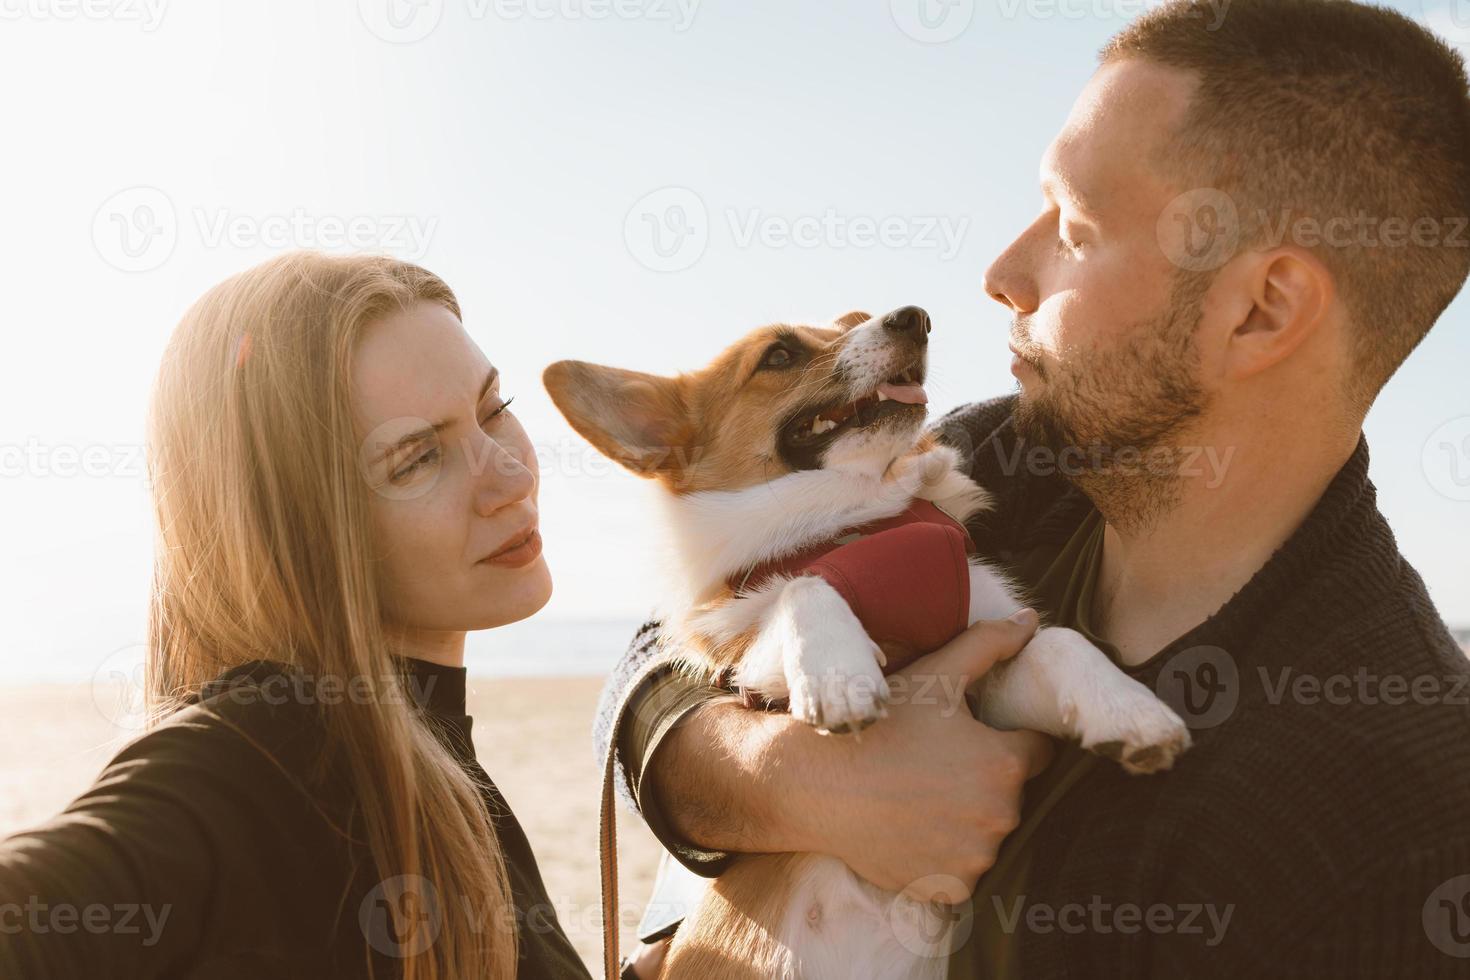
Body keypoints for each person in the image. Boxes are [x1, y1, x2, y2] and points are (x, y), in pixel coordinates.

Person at [594, 0, 1470, 975]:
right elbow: (659, 648)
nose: (1004, 271)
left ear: (1261, 309)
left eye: (1076, 228)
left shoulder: (1403, 815)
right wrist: (794, 780)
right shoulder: (1004, 459)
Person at [0, 252, 594, 978]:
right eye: (416, 459)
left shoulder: (421, 752)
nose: (511, 476)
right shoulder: (258, 754)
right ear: (300, 527)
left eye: (493, 411)